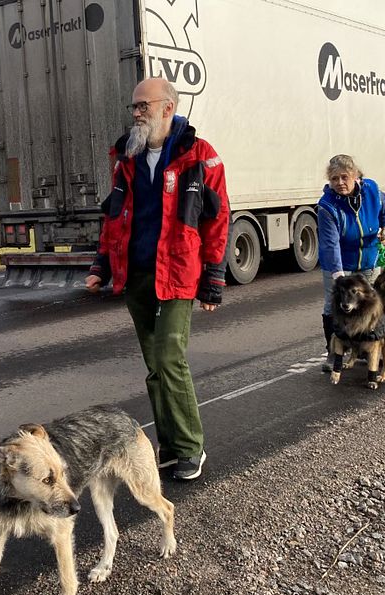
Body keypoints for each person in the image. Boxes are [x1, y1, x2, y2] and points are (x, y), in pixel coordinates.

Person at [85, 77, 230, 481]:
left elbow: (218, 220)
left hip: (179, 273)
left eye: (143, 106)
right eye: (133, 106)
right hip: (137, 275)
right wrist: (101, 266)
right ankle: (168, 445)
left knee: (169, 358)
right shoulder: (126, 158)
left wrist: (213, 279)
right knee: (154, 365)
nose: (136, 113)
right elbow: (113, 218)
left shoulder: (200, 156)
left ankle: (189, 447)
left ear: (167, 107)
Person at [317, 154, 385, 372]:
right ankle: (334, 353)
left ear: (355, 176)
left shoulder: (371, 191)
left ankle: (367, 349)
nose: (339, 183)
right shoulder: (327, 206)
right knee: (336, 306)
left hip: (368, 258)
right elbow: (330, 244)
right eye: (334, 179)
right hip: (341, 261)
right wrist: (340, 278)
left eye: (344, 177)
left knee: (371, 304)